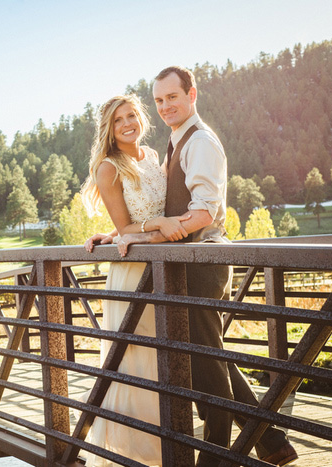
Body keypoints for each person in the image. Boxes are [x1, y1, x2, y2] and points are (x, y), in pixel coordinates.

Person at [90, 66, 298, 467]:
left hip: (200, 260)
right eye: (160, 100)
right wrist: (117, 234)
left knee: (206, 363)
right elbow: (149, 209)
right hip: (181, 262)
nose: (166, 106)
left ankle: (219, 457)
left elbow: (203, 212)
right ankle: (271, 442)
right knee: (207, 356)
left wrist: (150, 235)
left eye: (173, 97)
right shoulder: (172, 142)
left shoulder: (199, 141)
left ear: (192, 95)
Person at [80, 93, 190, 466]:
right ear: (109, 129)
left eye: (131, 115)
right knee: (137, 360)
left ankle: (172, 442)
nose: (127, 123)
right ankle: (140, 453)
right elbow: (125, 225)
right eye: (118, 120)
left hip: (164, 267)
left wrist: (122, 233)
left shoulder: (154, 157)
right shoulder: (108, 167)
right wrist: (149, 226)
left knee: (167, 355)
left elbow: (126, 229)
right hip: (133, 274)